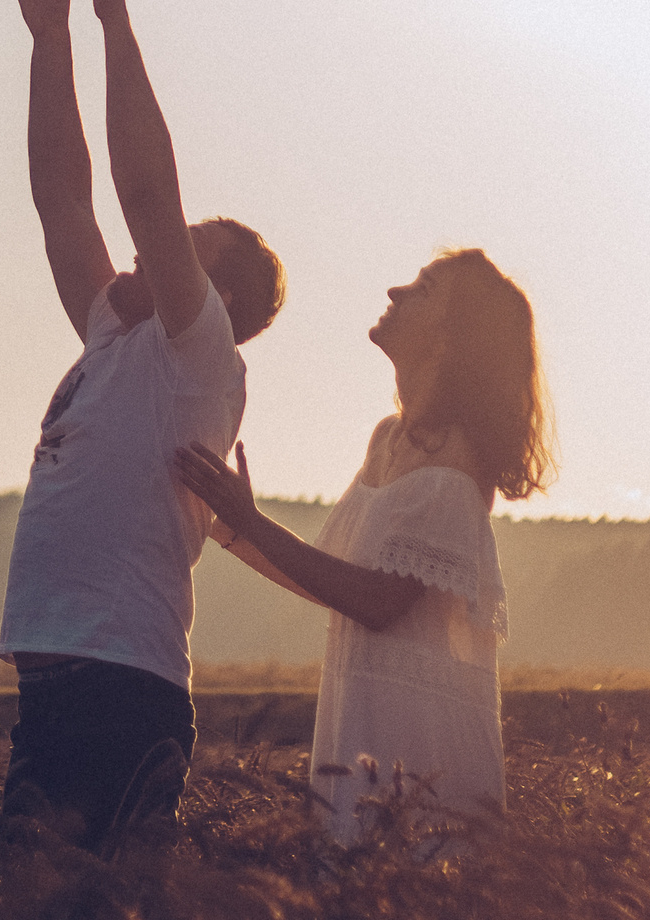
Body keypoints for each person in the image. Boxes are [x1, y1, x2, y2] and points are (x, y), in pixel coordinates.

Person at [0, 0, 285, 850]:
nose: (143, 250)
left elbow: (141, 188)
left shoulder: (199, 354)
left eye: (182, 254)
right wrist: (50, 37)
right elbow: (60, 191)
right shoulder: (112, 339)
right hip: (62, 674)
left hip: (121, 680)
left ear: (212, 292)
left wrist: (115, 18)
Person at [174, 250, 553, 843]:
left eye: (423, 289)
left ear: (452, 339)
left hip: (420, 743)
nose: (396, 289)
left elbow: (378, 602)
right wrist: (228, 525)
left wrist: (249, 518)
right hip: (360, 721)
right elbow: (328, 582)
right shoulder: (386, 437)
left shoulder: (461, 452)